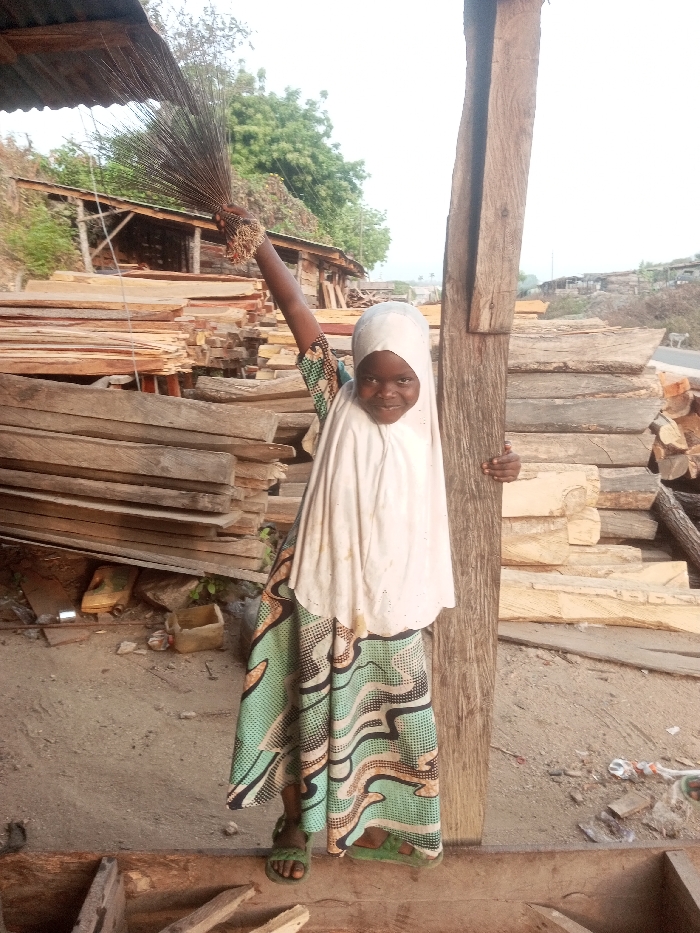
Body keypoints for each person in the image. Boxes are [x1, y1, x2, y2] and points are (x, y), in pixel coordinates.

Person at [224, 206, 521, 884]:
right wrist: (260, 244)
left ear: (423, 378)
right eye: (374, 375)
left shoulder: (438, 427)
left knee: (399, 719)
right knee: (304, 714)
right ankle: (296, 824)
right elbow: (297, 309)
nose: (386, 391)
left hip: (393, 603)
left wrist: (509, 461)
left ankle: (382, 826)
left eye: (402, 378)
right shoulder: (337, 399)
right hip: (316, 590)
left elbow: (492, 454)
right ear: (355, 370)